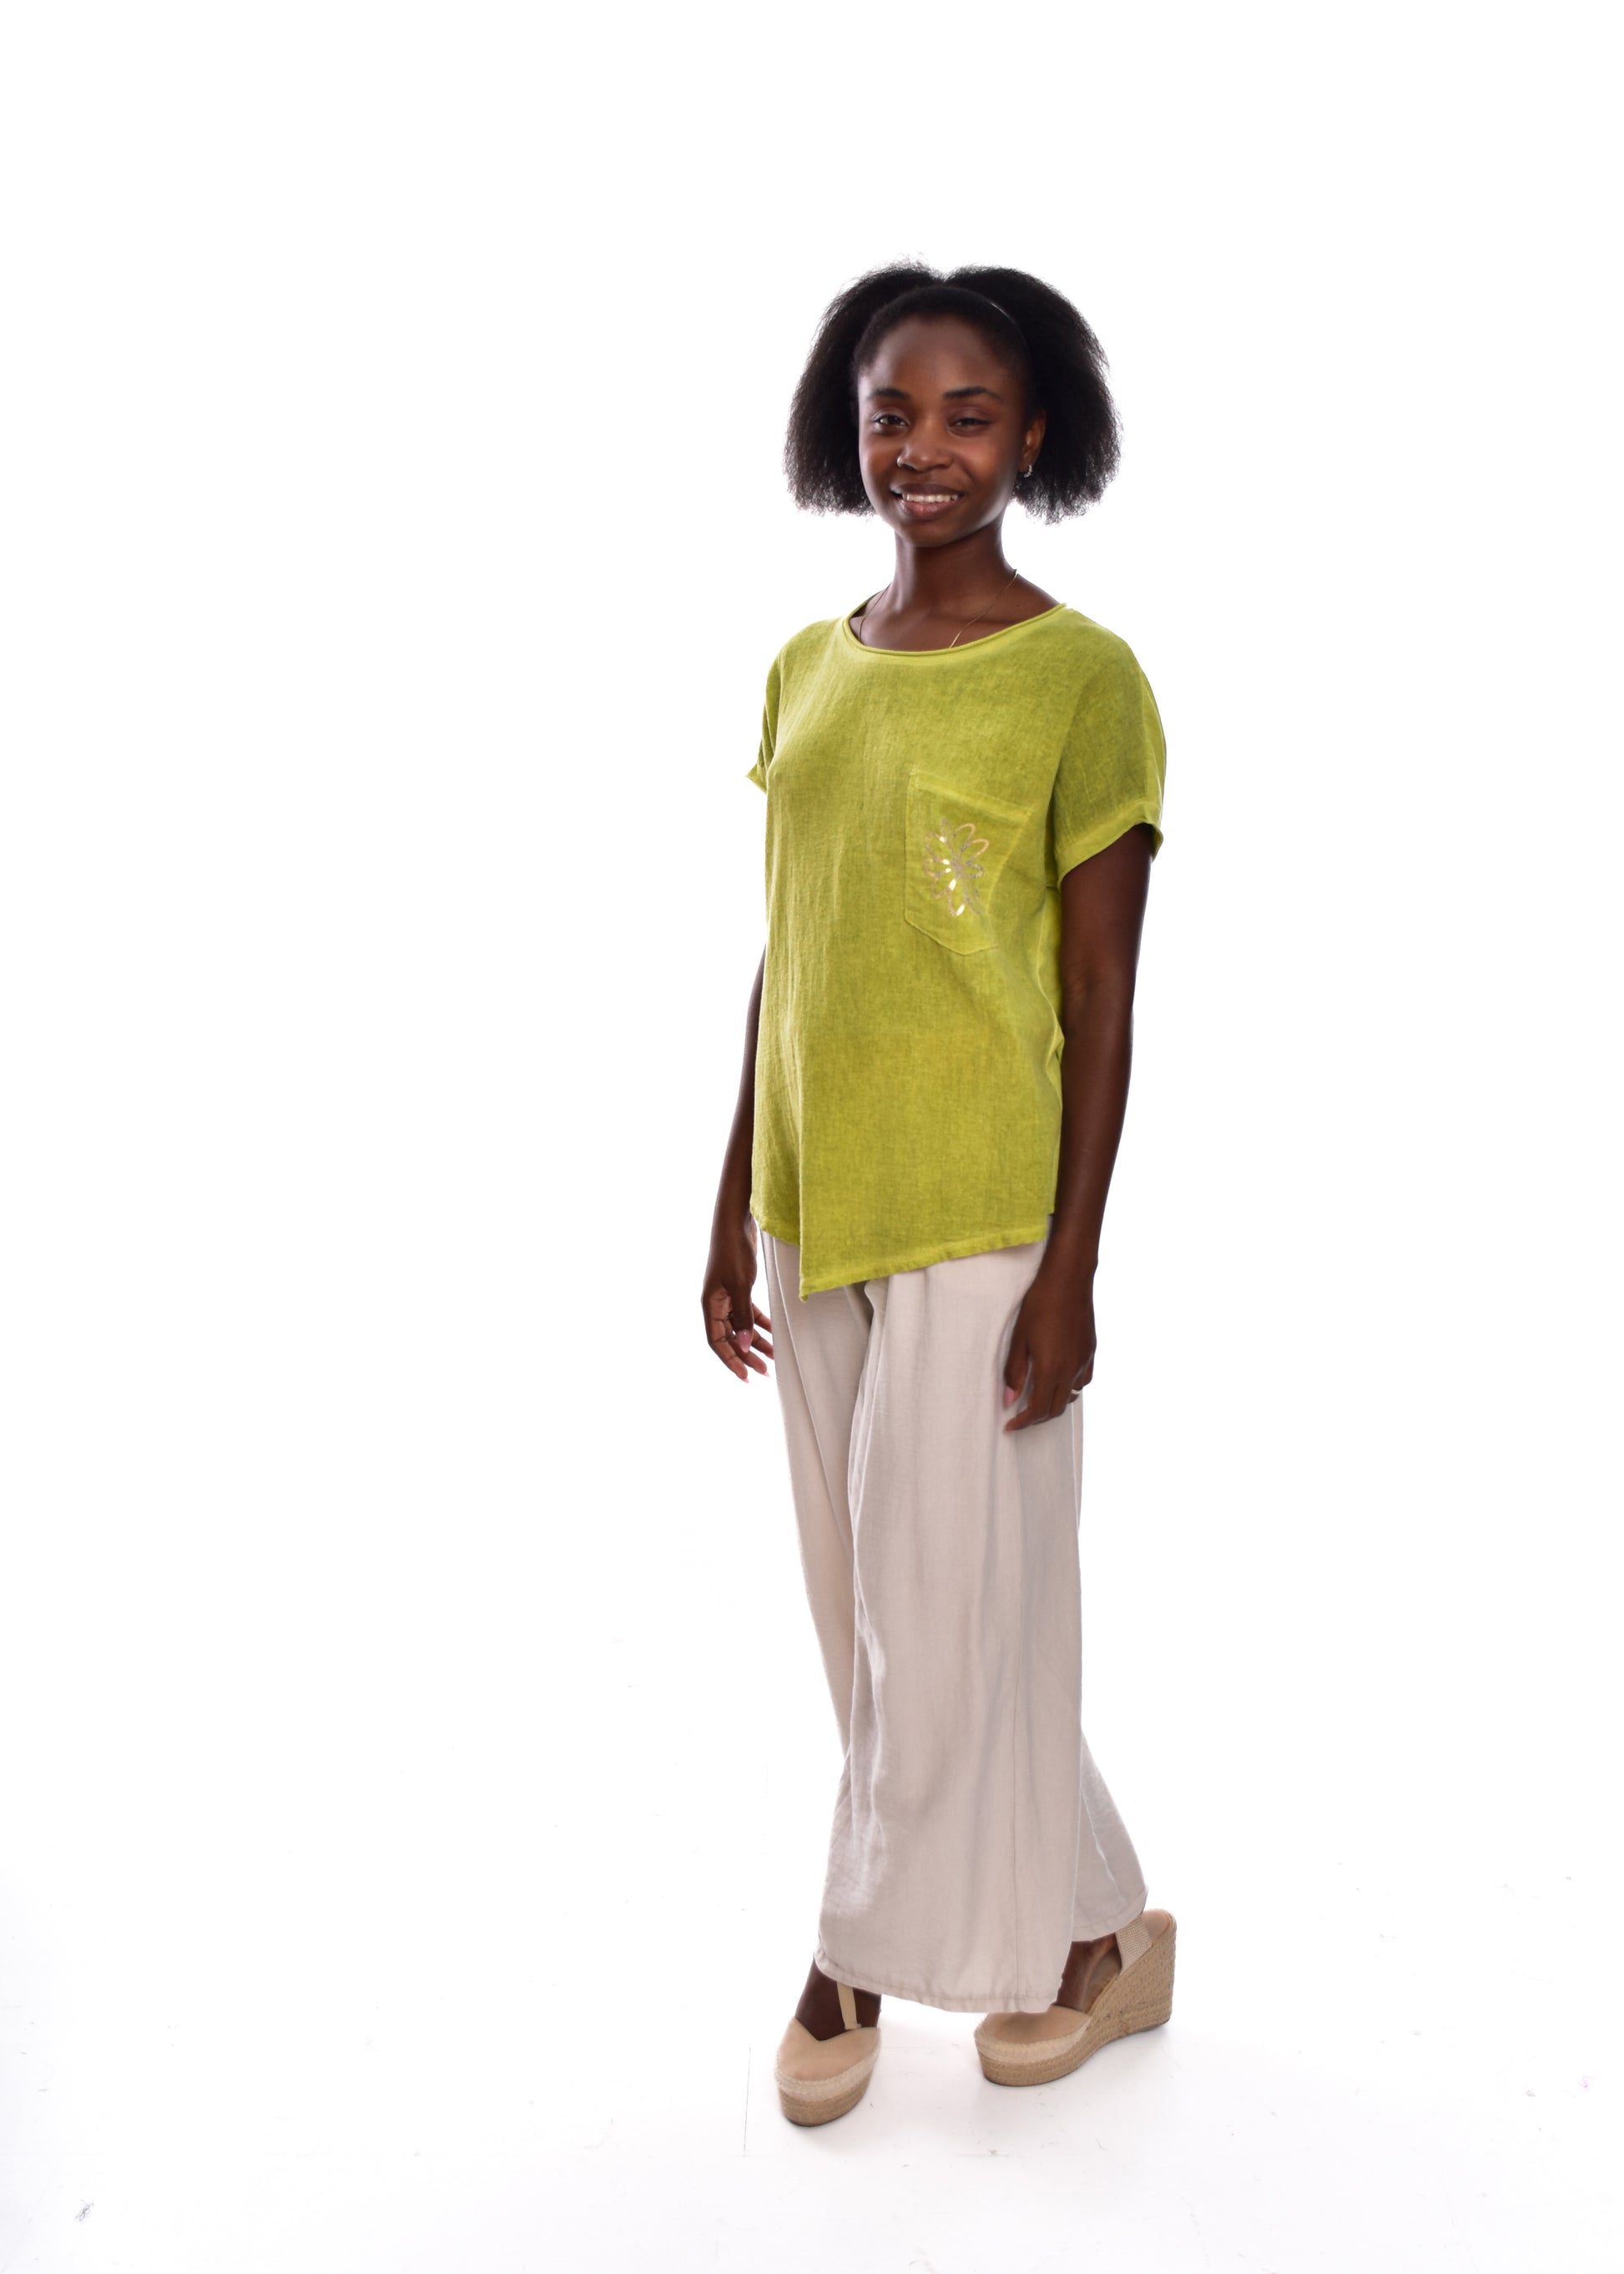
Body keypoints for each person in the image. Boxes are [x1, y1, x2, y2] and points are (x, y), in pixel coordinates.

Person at [701, 262, 1176, 2128]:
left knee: (943, 1597)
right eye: (891, 412)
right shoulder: (805, 665)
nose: (924, 447)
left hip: (983, 1210)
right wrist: (727, 1194)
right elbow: (788, 947)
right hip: (812, 1201)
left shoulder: (1081, 680)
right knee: (874, 1603)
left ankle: (846, 1954)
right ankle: (1093, 1931)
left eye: (968, 415)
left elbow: (1101, 997)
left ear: (1033, 435)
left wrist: (1071, 1271)